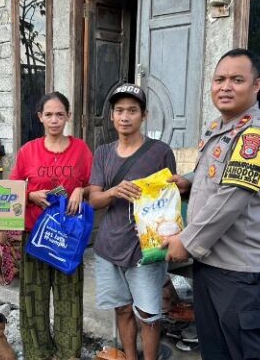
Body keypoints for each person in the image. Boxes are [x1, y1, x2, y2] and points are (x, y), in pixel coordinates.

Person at [163, 49, 260, 360]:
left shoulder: (253, 135)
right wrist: (189, 181)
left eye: (236, 79)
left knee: (246, 352)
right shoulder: (220, 128)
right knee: (215, 350)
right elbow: (217, 176)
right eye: (219, 79)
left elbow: (232, 198)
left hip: (240, 269)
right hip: (212, 262)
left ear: (256, 85)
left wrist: (185, 242)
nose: (225, 86)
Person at [88, 83, 176, 360]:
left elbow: (170, 200)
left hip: (146, 249)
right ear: (112, 116)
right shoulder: (102, 153)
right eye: (119, 111)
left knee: (149, 315)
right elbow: (94, 199)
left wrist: (169, 240)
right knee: (123, 308)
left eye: (132, 111)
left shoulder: (160, 152)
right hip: (109, 247)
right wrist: (113, 192)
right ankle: (130, 356)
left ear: (144, 115)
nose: (125, 116)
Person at [9, 91, 93, 360]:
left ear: (68, 116)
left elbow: (95, 184)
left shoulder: (81, 149)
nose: (54, 120)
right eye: (49, 115)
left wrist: (82, 189)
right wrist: (29, 195)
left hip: (68, 238)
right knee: (33, 297)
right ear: (40, 118)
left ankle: (69, 353)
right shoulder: (28, 151)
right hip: (34, 235)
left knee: (69, 296)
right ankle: (37, 353)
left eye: (60, 114)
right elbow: (11, 189)